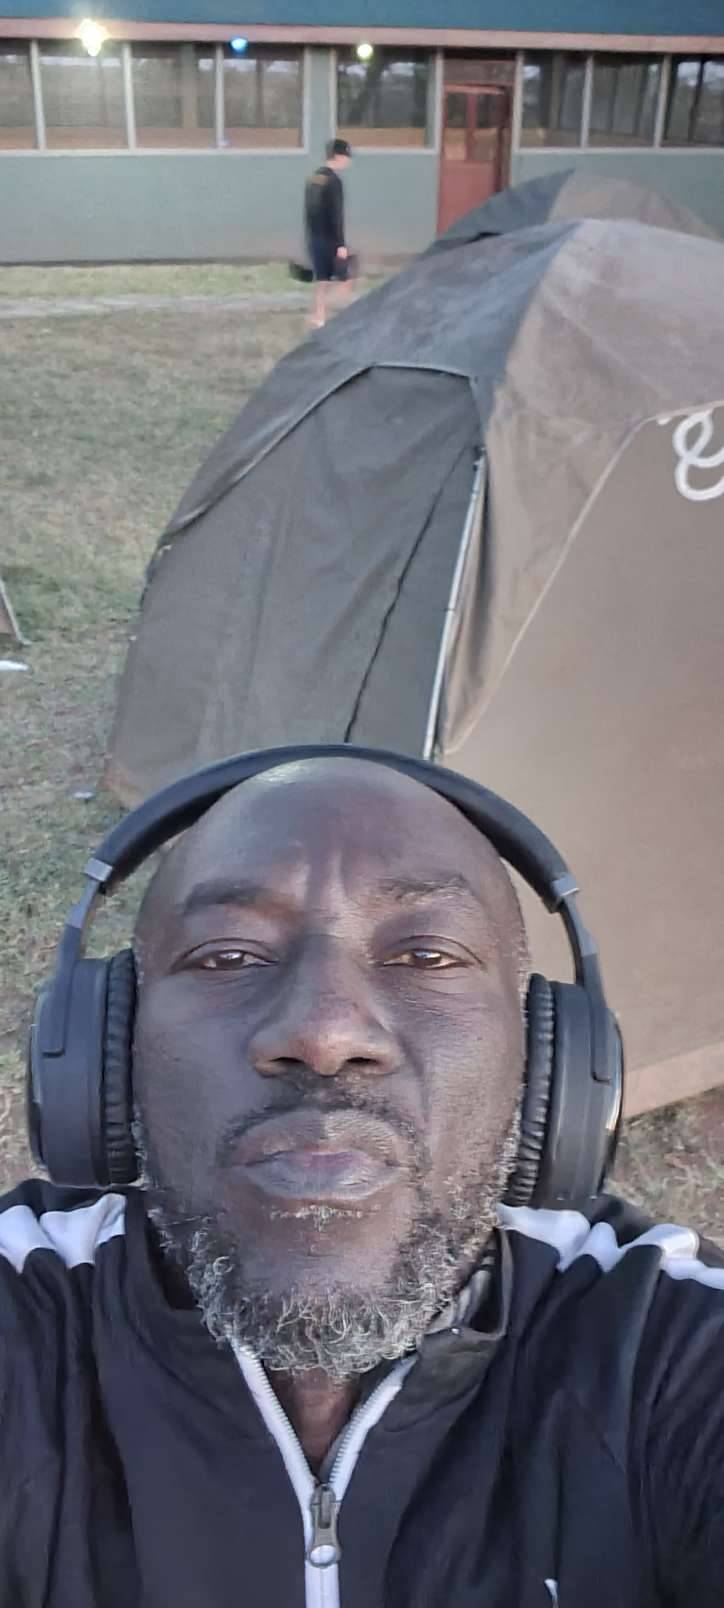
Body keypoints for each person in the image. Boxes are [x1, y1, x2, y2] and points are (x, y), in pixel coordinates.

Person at [7, 749, 724, 1607]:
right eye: (228, 956)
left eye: (426, 955)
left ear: (547, 1056)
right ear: (108, 1050)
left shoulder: (669, 1345)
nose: (324, 1032)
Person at [304, 136, 352, 328]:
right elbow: (336, 215)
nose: (348, 161)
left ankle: (320, 315)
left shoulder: (315, 178)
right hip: (331, 239)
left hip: (315, 237)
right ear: (338, 156)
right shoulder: (334, 181)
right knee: (345, 278)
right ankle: (342, 315)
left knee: (322, 279)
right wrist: (341, 244)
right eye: (346, 156)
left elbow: (310, 210)